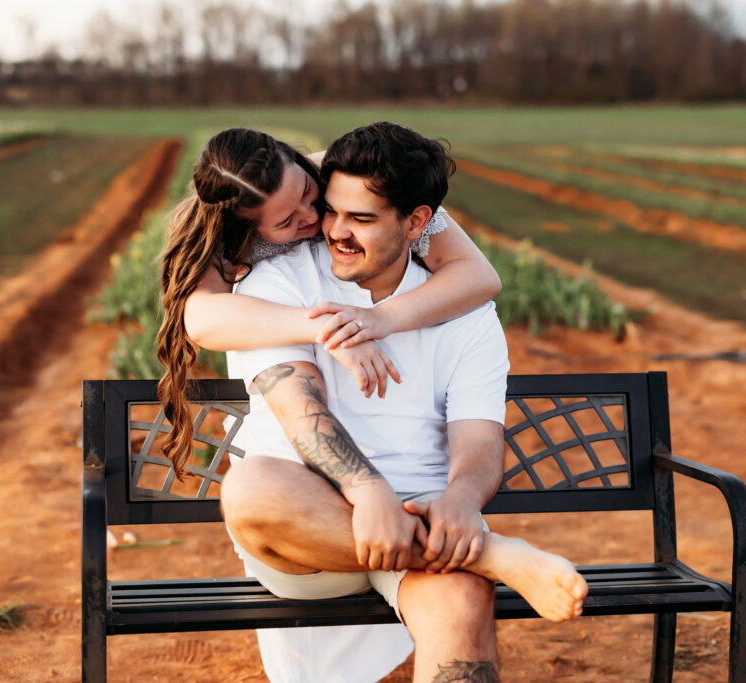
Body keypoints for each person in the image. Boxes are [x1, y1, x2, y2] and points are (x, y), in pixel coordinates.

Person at [219, 122, 589, 683]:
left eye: (362, 219)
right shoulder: (278, 284)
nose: (335, 231)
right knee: (251, 487)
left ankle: (466, 553)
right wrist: (368, 493)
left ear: (416, 222)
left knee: (462, 605)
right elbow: (299, 409)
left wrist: (462, 499)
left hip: (424, 512)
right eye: (331, 210)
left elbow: (479, 438)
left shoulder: (463, 311)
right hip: (312, 532)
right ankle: (492, 554)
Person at [156, 128, 501, 481]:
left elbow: (478, 276)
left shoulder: (345, 176)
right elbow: (202, 320)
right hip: (293, 459)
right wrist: (330, 329)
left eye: (309, 193)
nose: (311, 216)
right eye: (286, 221)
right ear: (249, 230)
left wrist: (379, 318)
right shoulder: (229, 241)